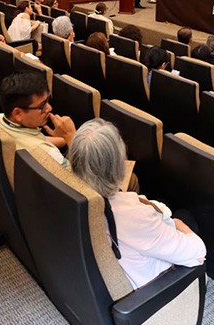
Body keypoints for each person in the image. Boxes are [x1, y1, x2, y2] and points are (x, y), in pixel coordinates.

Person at [68, 119, 205, 289]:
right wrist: (178, 224)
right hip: (148, 289)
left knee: (163, 205)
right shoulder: (132, 217)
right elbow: (198, 250)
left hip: (119, 259)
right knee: (185, 216)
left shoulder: (72, 195)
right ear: (117, 163)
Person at [0, 72, 75, 168]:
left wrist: (65, 138)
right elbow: (80, 180)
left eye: (47, 101)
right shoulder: (49, 154)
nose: (49, 108)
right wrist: (72, 137)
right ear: (18, 113)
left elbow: (31, 140)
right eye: (42, 106)